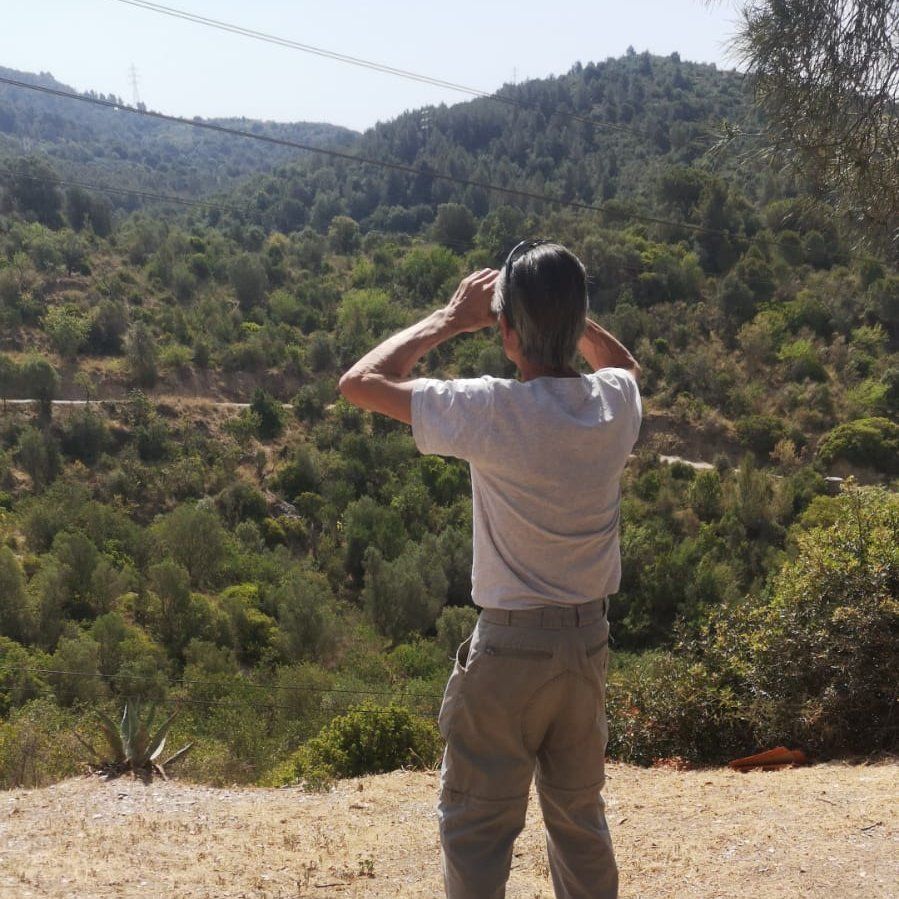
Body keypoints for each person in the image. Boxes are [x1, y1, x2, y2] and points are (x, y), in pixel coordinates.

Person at [339, 240, 641, 899]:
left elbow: (359, 383)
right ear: (577, 320)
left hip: (508, 651)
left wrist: (447, 318)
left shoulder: (490, 409)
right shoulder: (613, 405)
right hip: (586, 646)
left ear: (505, 333)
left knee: (477, 827)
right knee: (579, 821)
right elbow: (624, 366)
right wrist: (568, 311)